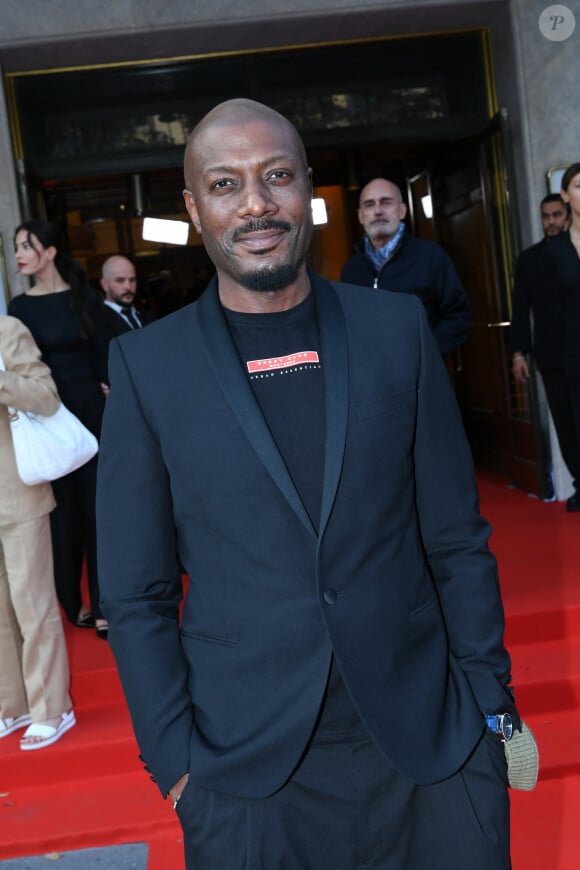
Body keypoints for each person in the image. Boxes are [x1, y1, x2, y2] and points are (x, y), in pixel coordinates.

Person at [96, 98, 525, 870]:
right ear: (195, 209)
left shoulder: (395, 332)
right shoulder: (147, 368)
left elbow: (456, 538)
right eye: (225, 185)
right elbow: (135, 596)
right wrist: (179, 766)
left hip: (429, 743)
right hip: (244, 770)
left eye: (277, 176)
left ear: (307, 191)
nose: (256, 202)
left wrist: (488, 709)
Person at [9, 220, 110, 639]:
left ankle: (104, 604)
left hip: (91, 407)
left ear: (49, 252)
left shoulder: (85, 298)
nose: (18, 254)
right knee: (62, 512)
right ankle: (72, 601)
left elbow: (105, 350)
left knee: (98, 510)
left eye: (26, 245)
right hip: (48, 413)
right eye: (16, 247)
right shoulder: (20, 307)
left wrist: (111, 389)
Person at [0, 315, 76, 750]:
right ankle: (13, 704)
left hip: (17, 489)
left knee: (32, 602)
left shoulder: (8, 331)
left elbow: (46, 397)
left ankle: (52, 707)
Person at [340, 177, 471, 354]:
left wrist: (424, 355)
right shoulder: (351, 269)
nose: (378, 211)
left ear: (402, 210)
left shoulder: (430, 256)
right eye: (369, 205)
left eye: (386, 203)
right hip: (371, 378)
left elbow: (458, 316)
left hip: (422, 376)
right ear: (360, 216)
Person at [511, 193, 579, 510]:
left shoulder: (575, 251)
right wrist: (519, 352)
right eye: (545, 216)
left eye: (556, 215)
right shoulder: (529, 259)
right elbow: (521, 309)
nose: (551, 222)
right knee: (565, 423)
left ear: (567, 214)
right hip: (551, 354)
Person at [542, 163, 580, 512]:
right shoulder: (554, 253)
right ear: (566, 195)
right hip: (572, 354)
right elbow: (548, 311)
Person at [100, 255, 156, 339]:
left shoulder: (148, 316)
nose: (128, 286)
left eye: (132, 280)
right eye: (120, 280)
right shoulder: (94, 323)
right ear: (105, 284)